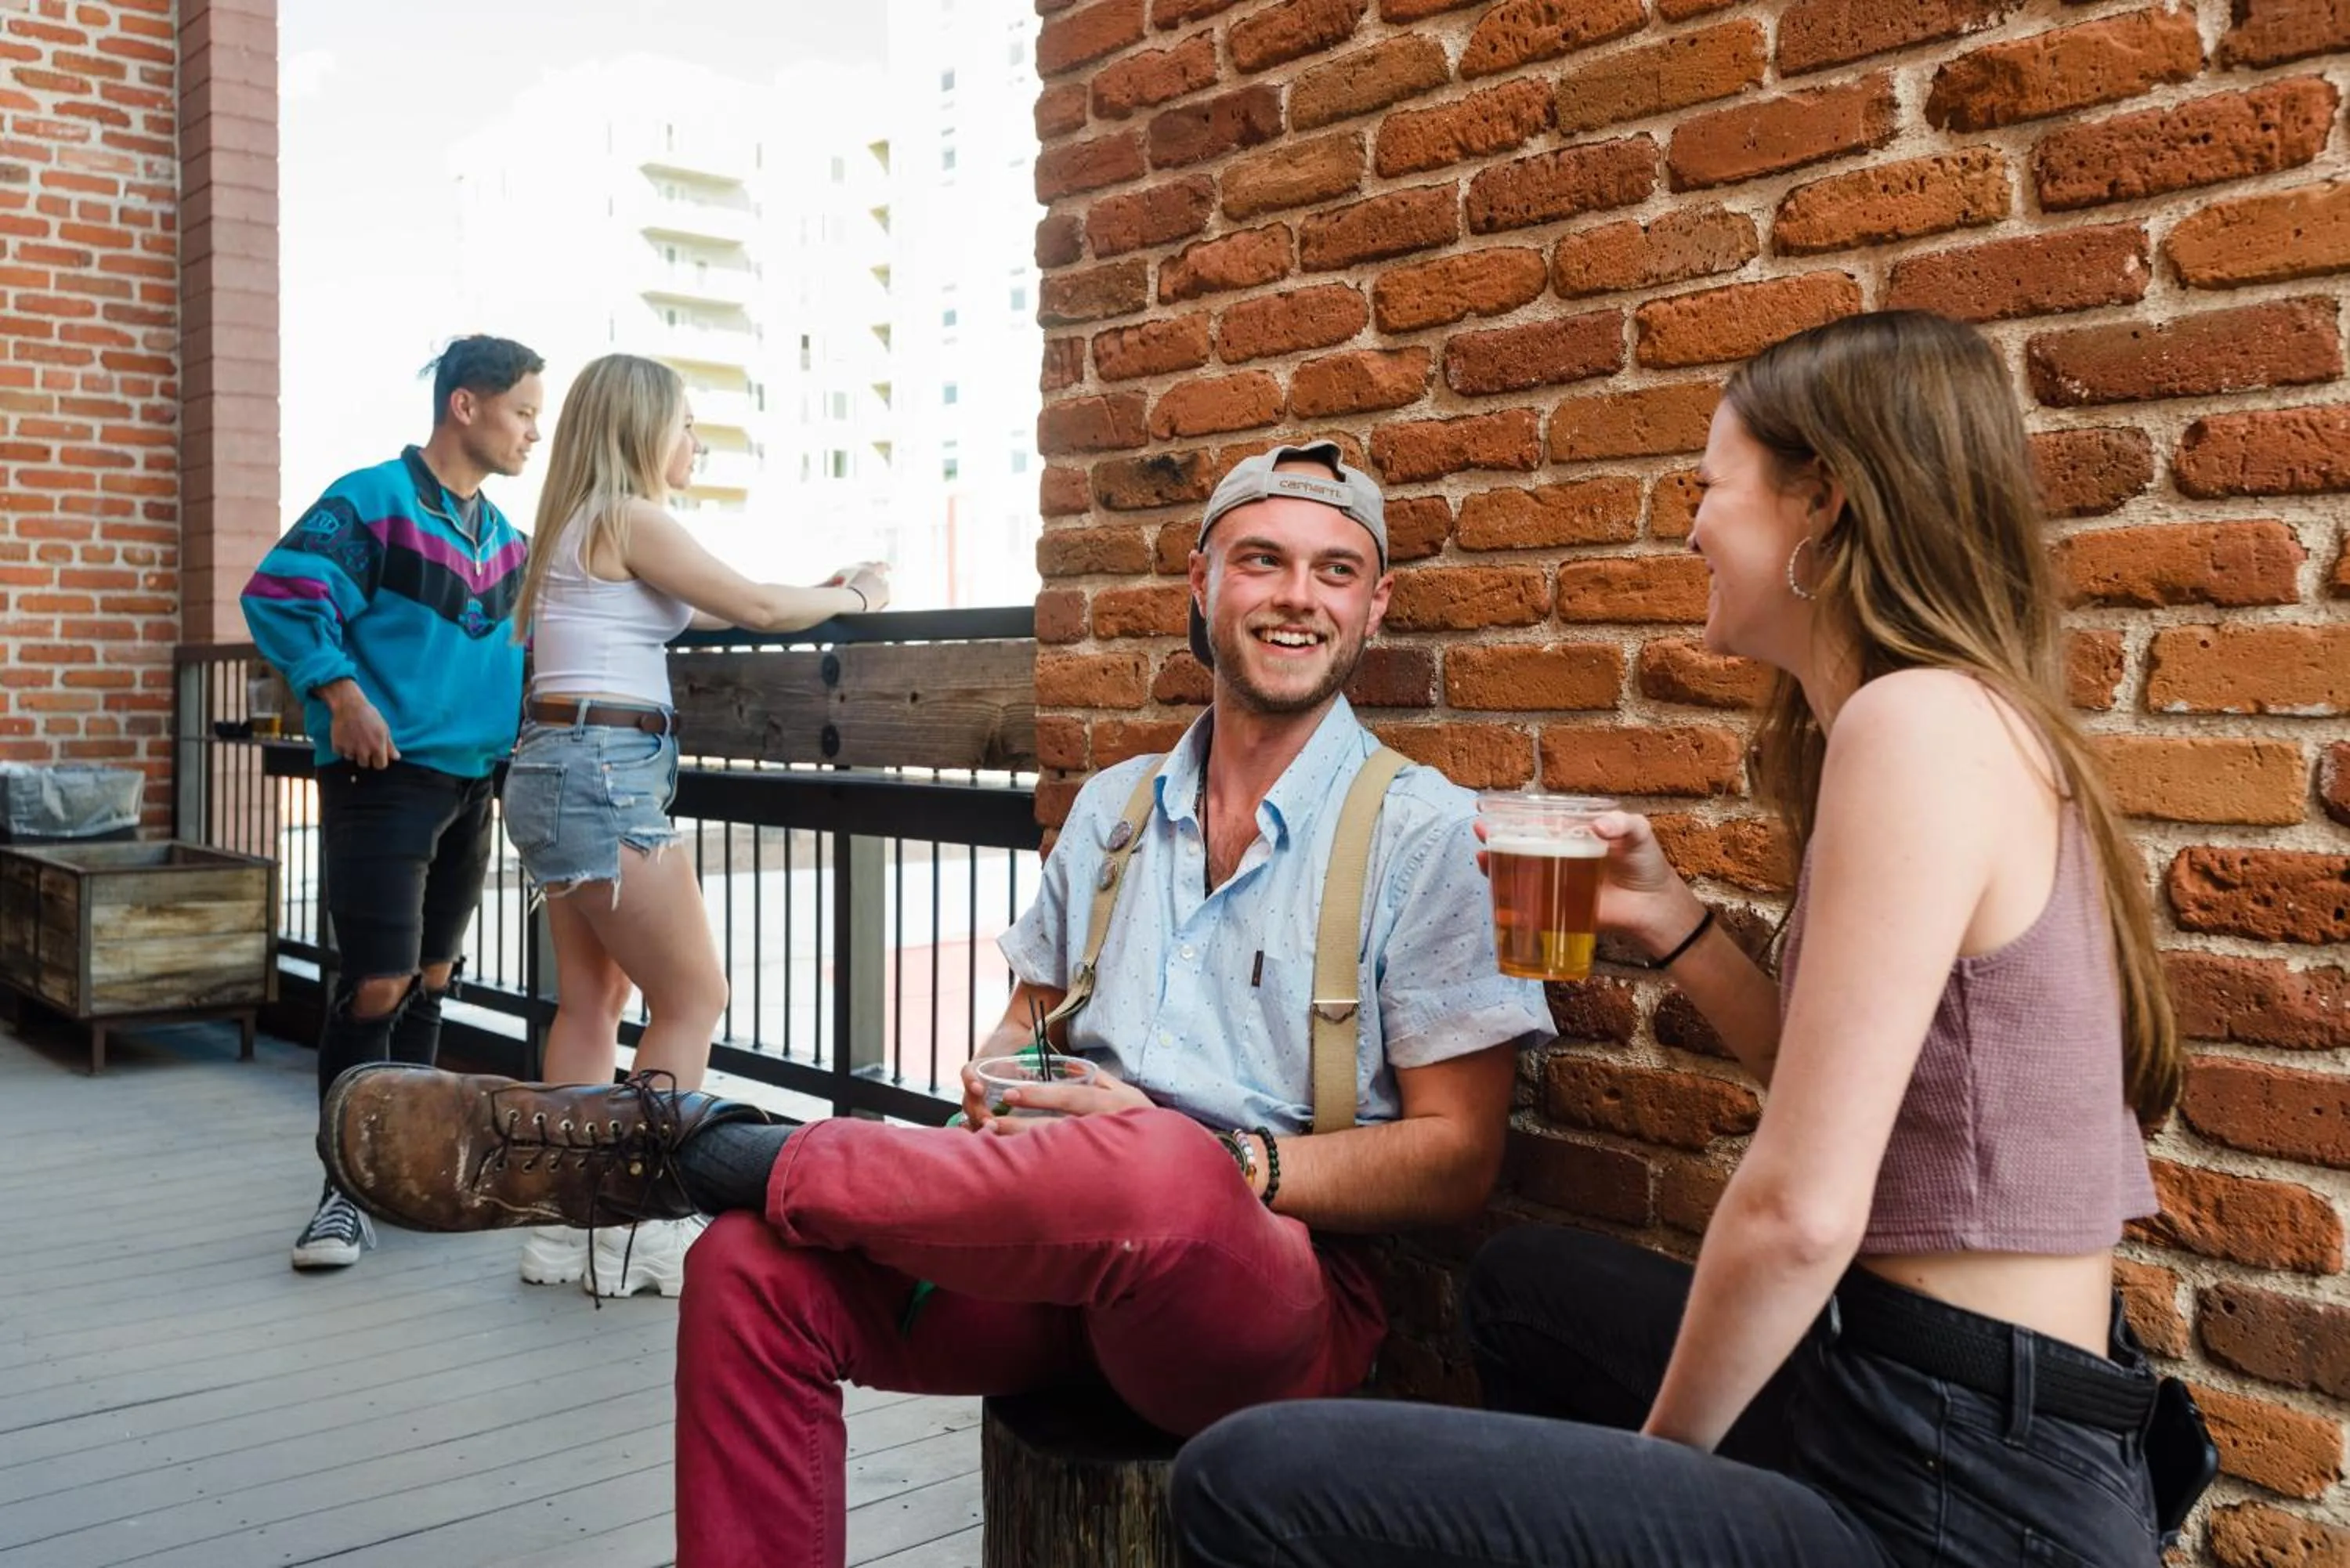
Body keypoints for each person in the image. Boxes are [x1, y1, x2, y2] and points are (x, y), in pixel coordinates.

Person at [313, 440, 1555, 1568]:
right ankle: (732, 1170)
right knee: (747, 1269)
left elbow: (1460, 1159)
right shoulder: (1119, 807)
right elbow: (1021, 1029)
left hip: (1264, 1296)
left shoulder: (1426, 834)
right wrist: (1007, 1088)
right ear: (1203, 580)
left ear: (1374, 606)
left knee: (1166, 1162)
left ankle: (702, 1146)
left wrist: (1228, 1158)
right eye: (1264, 561)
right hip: (1054, 1271)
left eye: (1336, 571)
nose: (1299, 595)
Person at [1170, 311, 2204, 1567]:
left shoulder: (1916, 725)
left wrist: (1644, 1472)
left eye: (1712, 486)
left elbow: (1801, 1210)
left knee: (1241, 1477)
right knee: (1526, 1286)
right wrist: (1671, 923)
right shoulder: (1943, 719)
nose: (1695, 525)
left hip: (1963, 1483)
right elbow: (1869, 1098)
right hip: (1906, 1383)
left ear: (1818, 502)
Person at [501, 352, 891, 1299]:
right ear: (639, 429)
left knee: (591, 1003)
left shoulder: (567, 525)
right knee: (694, 997)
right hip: (604, 772)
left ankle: (566, 1228)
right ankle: (635, 1224)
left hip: (553, 764)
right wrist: (855, 595)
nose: (694, 443)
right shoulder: (630, 518)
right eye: (683, 424)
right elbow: (756, 605)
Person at [242, 334, 544, 1272]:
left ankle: (405, 1165)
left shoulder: (507, 541)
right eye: (524, 411)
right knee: (374, 985)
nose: (535, 432)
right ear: (466, 404)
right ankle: (342, 1191)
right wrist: (341, 692)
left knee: (434, 979)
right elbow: (283, 593)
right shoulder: (373, 499)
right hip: (383, 777)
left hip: (471, 783)